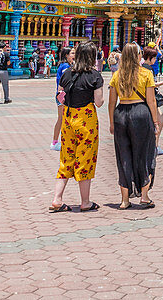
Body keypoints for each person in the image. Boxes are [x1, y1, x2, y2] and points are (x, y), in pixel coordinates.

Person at [50, 41, 103, 211]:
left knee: (66, 158)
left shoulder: (66, 73)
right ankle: (85, 202)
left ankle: (57, 199)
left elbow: (59, 97)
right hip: (86, 120)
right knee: (85, 159)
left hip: (68, 118)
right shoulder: (95, 75)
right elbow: (99, 102)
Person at [108, 43, 158, 210]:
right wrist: (156, 122)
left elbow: (111, 102)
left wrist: (111, 122)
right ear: (137, 56)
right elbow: (151, 101)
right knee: (143, 153)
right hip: (141, 113)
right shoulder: (145, 73)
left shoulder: (117, 75)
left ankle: (124, 199)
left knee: (123, 155)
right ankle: (144, 196)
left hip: (121, 113)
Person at [51, 46, 74, 150]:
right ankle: (55, 142)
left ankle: (56, 141)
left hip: (62, 95)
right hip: (63, 95)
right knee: (62, 119)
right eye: (72, 53)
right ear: (66, 55)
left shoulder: (66, 65)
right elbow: (67, 80)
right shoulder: (65, 66)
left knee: (62, 119)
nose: (74, 56)